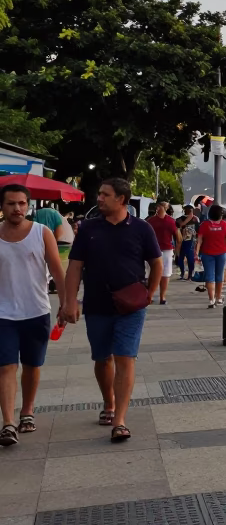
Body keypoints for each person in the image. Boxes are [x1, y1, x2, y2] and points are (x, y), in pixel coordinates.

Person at [61, 177, 161, 443]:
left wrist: (149, 294)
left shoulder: (141, 228)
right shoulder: (88, 229)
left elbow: (156, 263)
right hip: (96, 304)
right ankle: (109, 402)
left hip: (131, 306)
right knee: (102, 358)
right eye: (100, 194)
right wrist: (69, 302)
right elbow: (75, 267)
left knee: (125, 358)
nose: (100, 198)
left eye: (105, 195)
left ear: (122, 199)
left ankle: (120, 420)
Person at [0, 185, 67, 446]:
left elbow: (57, 270)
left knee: (32, 365)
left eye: (21, 203)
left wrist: (66, 303)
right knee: (5, 366)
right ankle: (7, 422)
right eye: (10, 204)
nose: (17, 208)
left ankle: (27, 410)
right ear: (2, 207)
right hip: (3, 314)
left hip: (36, 311)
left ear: (28, 206)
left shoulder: (42, 232)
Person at [195, 205, 226, 308]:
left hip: (207, 254)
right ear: (221, 215)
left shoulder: (204, 225)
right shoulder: (225, 225)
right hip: (221, 253)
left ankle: (211, 300)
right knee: (219, 276)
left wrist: (197, 253)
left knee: (209, 277)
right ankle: (219, 298)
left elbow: (199, 241)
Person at [144, 202, 180, 305]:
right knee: (151, 272)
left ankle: (162, 296)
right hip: (153, 250)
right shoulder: (150, 221)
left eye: (162, 206)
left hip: (167, 249)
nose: (159, 207)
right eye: (158, 206)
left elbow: (178, 237)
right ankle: (149, 295)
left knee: (166, 273)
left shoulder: (171, 221)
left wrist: (177, 251)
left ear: (166, 208)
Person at [175, 205, 199, 280]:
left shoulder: (180, 219)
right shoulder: (195, 219)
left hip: (183, 240)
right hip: (189, 241)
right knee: (188, 258)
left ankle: (184, 274)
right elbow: (198, 231)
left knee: (182, 258)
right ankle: (188, 275)